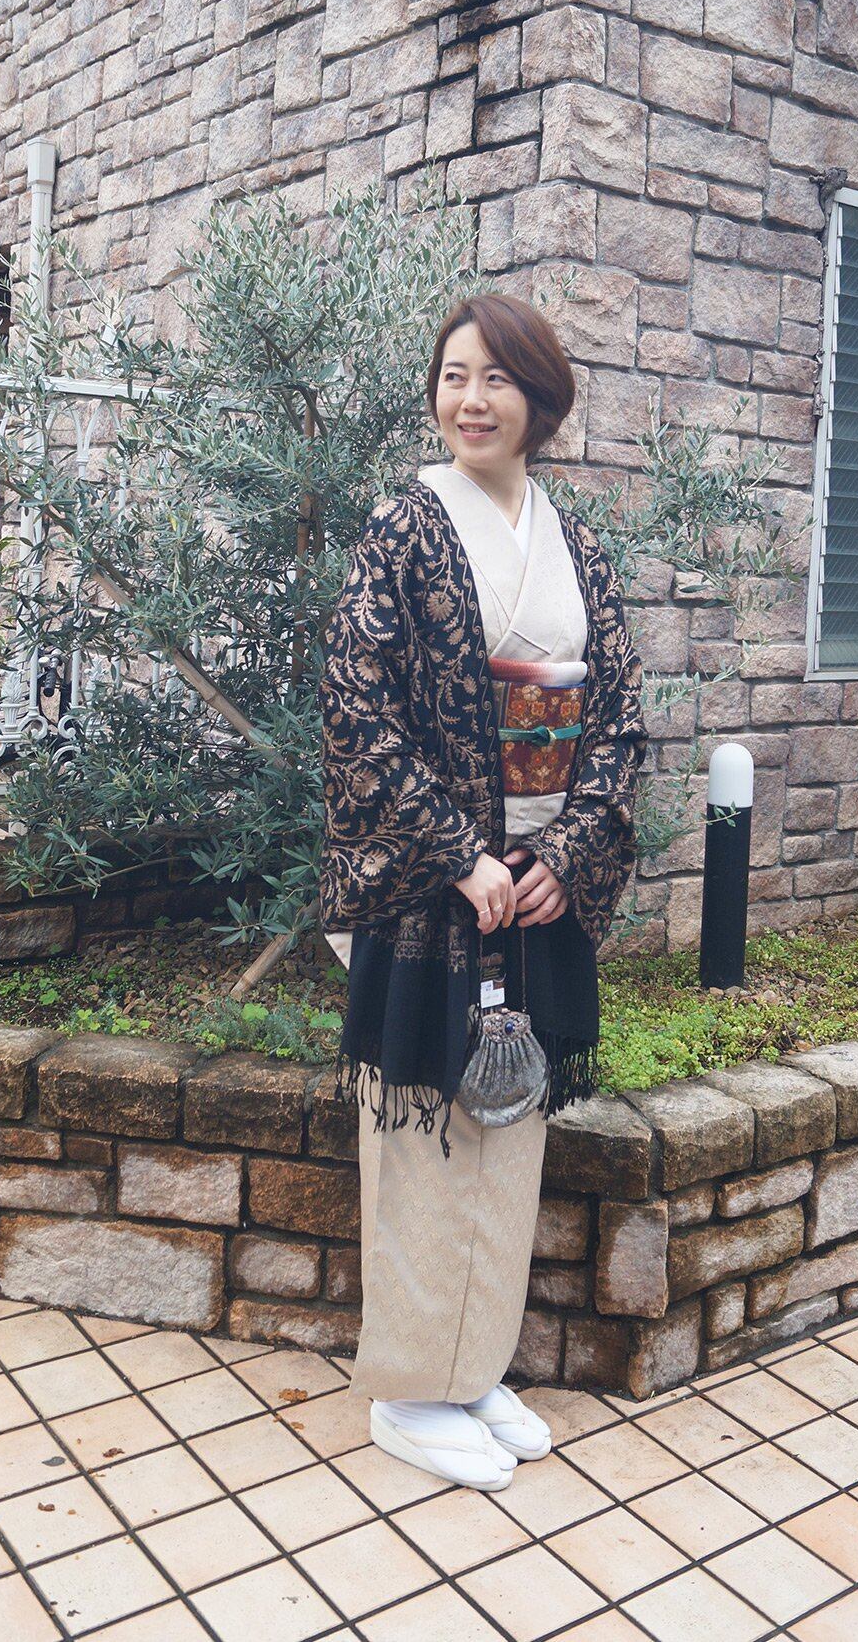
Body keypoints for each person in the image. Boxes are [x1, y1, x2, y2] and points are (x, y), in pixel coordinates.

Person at [318, 293, 648, 1492]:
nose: (471, 398)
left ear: (538, 399)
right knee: (424, 1131)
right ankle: (411, 1386)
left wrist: (570, 850)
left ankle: (473, 1363)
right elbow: (357, 704)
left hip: (538, 882)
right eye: (454, 374)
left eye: (496, 377)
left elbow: (619, 714)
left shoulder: (577, 544)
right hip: (434, 883)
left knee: (511, 1128)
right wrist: (460, 851)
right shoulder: (405, 526)